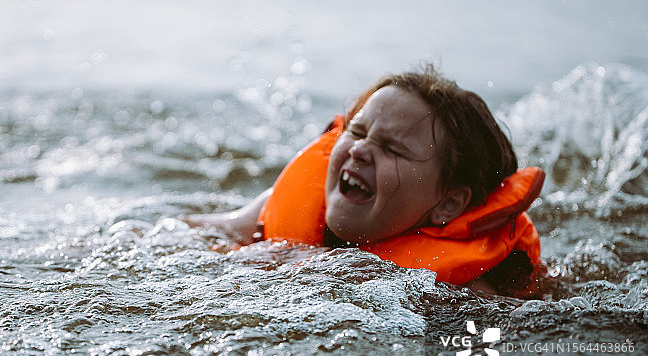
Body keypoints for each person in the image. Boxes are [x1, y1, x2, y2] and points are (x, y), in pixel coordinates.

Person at [184, 65, 544, 296]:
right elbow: (189, 233)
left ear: (448, 203)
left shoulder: (466, 291)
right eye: (356, 131)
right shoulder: (279, 209)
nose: (359, 151)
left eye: (392, 148)